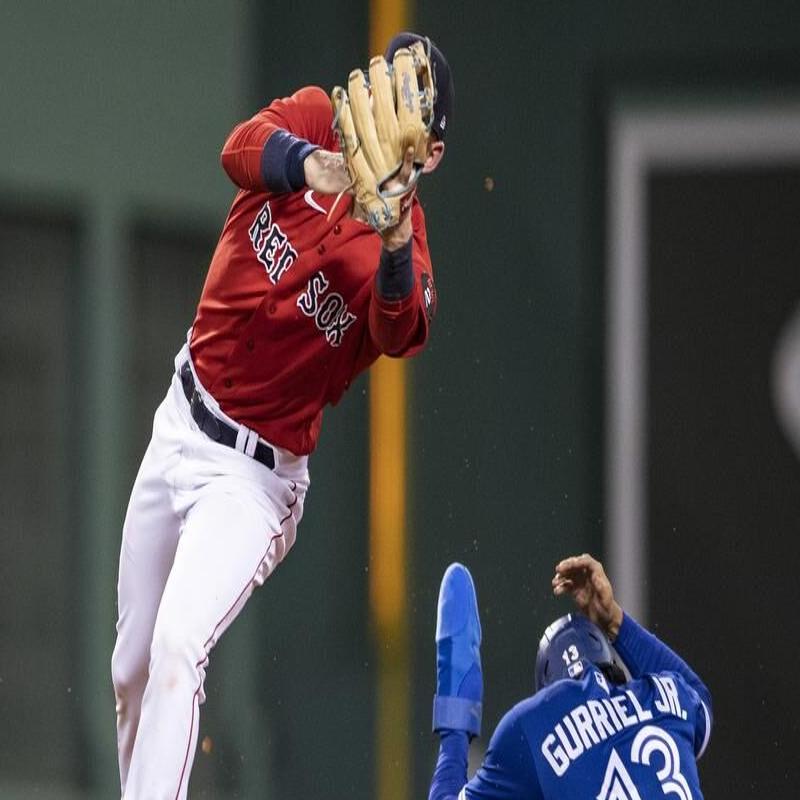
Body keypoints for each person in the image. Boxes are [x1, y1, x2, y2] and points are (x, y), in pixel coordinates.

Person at [110, 32, 454, 799]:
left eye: (408, 108)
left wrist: (393, 231)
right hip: (181, 416)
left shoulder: (404, 249)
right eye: (386, 88)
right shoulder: (312, 121)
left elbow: (404, 327)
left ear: (428, 154)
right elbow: (238, 149)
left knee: (176, 647)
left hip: (252, 477)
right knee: (130, 668)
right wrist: (314, 164)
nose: (382, 110)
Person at [429, 554, 712, 799]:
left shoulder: (533, 725)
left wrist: (455, 726)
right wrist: (614, 620)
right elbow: (699, 699)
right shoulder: (666, 697)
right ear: (611, 666)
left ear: (546, 689)